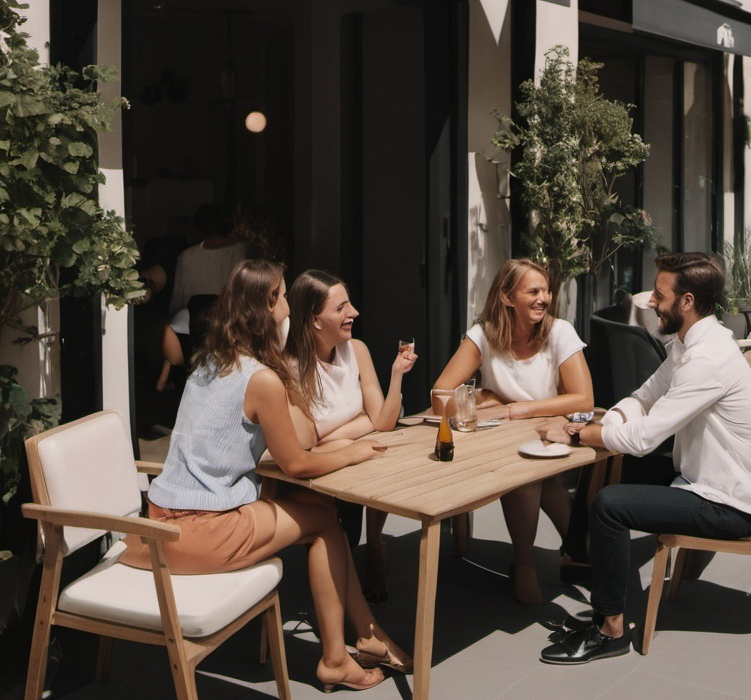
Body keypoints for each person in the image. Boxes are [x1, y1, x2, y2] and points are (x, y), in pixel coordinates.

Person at [120, 259, 410, 691]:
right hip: (201, 531)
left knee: (315, 508)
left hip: (159, 518)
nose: (290, 307)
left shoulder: (209, 362)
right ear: (267, 307)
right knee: (326, 522)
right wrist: (353, 451)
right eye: (283, 297)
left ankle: (366, 636)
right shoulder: (262, 380)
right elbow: (297, 462)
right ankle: (337, 658)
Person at [535, 252, 751, 665]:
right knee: (617, 472)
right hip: (712, 480)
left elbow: (644, 437)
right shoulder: (691, 342)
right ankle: (582, 566)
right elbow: (642, 397)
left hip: (733, 503)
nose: (650, 301)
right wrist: (610, 421)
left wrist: (580, 433)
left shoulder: (706, 360)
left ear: (686, 302)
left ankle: (610, 629)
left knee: (611, 504)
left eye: (660, 294)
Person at [432, 258, 594, 604]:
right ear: (507, 297)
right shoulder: (484, 334)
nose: (544, 298)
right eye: (533, 291)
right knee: (529, 473)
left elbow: (583, 398)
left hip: (554, 433)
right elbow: (440, 395)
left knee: (532, 473)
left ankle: (529, 564)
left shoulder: (559, 332)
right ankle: (572, 551)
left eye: (546, 290)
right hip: (507, 439)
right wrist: (483, 397)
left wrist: (515, 408)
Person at [285, 269, 418, 606]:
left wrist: (396, 377)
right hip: (315, 473)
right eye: (341, 308)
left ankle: (375, 546)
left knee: (378, 450)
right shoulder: (291, 366)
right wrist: (359, 425)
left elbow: (383, 422)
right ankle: (353, 580)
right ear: (315, 320)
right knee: (369, 450)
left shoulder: (356, 350)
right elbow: (306, 443)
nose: (354, 313)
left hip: (353, 457)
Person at [166, 203, 249, 336]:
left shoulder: (186, 257)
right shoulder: (242, 249)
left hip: (197, 328)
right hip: (233, 328)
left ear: (198, 229)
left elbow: (177, 303)